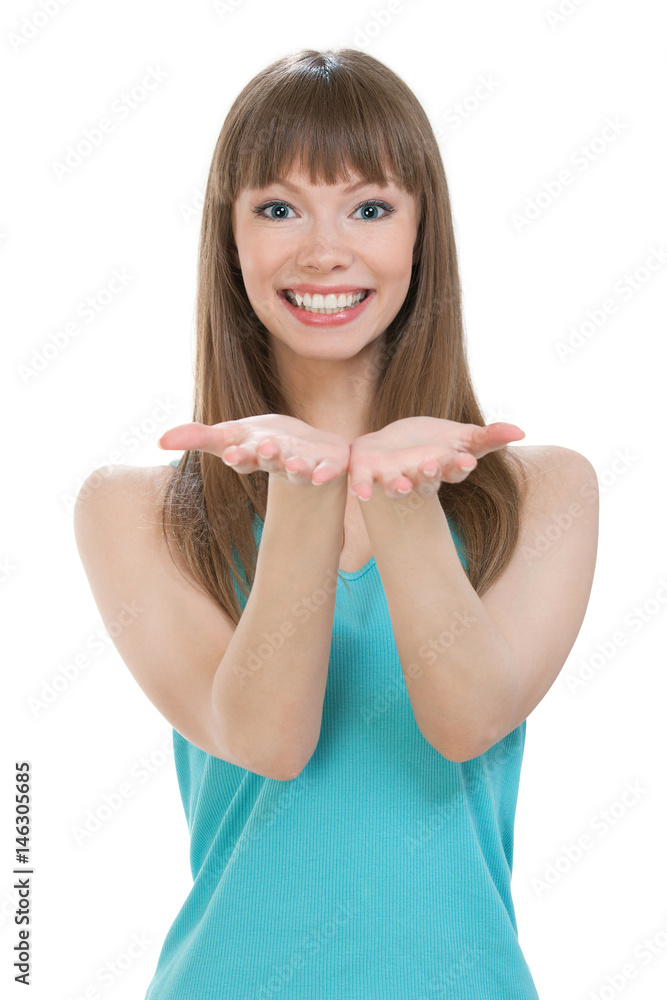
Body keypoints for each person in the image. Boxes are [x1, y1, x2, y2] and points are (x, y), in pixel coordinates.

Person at [73, 47, 599, 999]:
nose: (324, 249)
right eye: (278, 208)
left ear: (420, 233)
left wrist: (400, 503)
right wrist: (308, 493)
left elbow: (468, 719)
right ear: (228, 240)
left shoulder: (545, 494)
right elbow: (269, 740)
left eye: (369, 206)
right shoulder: (130, 509)